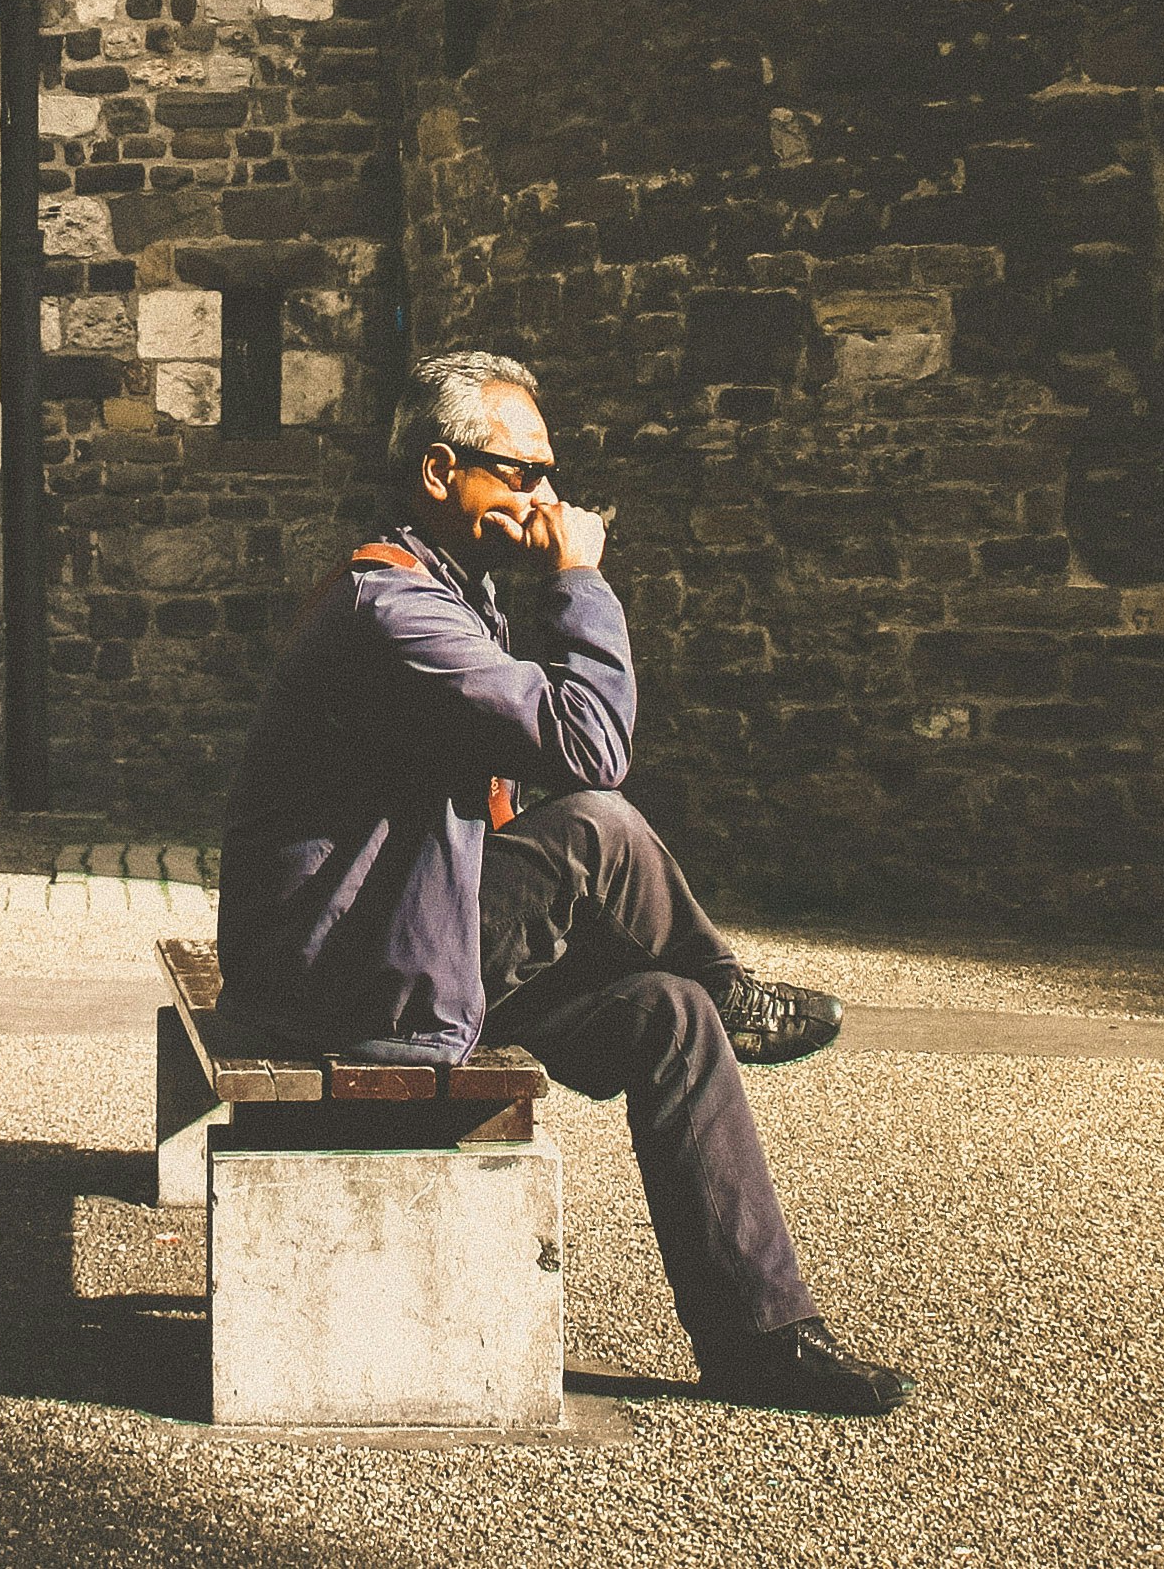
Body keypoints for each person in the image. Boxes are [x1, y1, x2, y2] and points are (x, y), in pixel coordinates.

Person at [215, 347, 913, 1416]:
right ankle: (725, 978)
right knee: (596, 826)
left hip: (404, 943)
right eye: (521, 470)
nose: (547, 495)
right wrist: (577, 581)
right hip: (336, 978)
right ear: (439, 471)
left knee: (669, 1020)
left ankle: (761, 1335)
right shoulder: (391, 612)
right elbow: (588, 743)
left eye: (549, 471)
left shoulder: (449, 594)